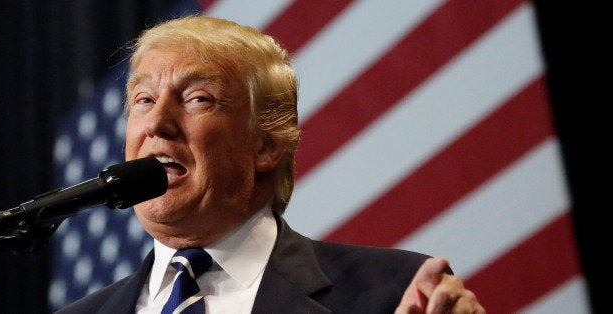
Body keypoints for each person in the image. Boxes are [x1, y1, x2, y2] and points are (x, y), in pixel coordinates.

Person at [55, 15, 485, 314]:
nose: (157, 124)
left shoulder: (391, 291)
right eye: (143, 100)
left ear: (266, 146)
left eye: (197, 99)